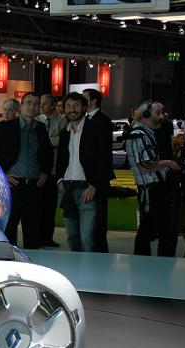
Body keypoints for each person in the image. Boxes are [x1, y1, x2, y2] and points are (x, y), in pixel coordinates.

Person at [0, 92, 53, 249]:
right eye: (28, 103)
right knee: (9, 232)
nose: (32, 107)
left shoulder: (41, 129)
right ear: (21, 107)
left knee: (33, 233)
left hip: (35, 187)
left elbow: (48, 154)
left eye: (36, 104)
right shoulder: (6, 127)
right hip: (13, 187)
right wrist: (2, 174)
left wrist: (45, 172)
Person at [124, 100, 181, 257]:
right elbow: (144, 165)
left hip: (154, 190)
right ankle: (162, 265)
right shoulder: (137, 135)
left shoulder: (146, 133)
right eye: (158, 113)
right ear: (145, 114)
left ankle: (147, 265)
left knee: (148, 231)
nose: (162, 116)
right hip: (152, 191)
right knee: (166, 233)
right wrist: (169, 163)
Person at [56, 92, 112, 252]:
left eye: (76, 105)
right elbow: (61, 160)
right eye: (68, 106)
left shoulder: (96, 129)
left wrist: (94, 186)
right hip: (67, 189)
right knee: (72, 238)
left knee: (88, 238)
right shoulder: (65, 132)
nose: (72, 109)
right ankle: (77, 268)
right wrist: (59, 181)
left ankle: (91, 268)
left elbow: (105, 160)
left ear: (84, 108)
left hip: (87, 189)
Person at [83, 88, 114, 253]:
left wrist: (96, 182)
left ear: (93, 100)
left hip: (99, 177)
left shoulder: (102, 120)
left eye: (84, 99)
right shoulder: (86, 119)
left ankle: (100, 252)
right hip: (88, 176)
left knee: (99, 218)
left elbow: (104, 153)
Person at [36, 94, 66, 247]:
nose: (41, 106)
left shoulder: (62, 122)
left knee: (50, 206)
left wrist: (47, 140)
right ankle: (36, 236)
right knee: (37, 207)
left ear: (53, 106)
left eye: (45, 103)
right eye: (40, 103)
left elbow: (63, 141)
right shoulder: (35, 120)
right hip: (36, 169)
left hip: (53, 169)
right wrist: (51, 140)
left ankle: (47, 237)